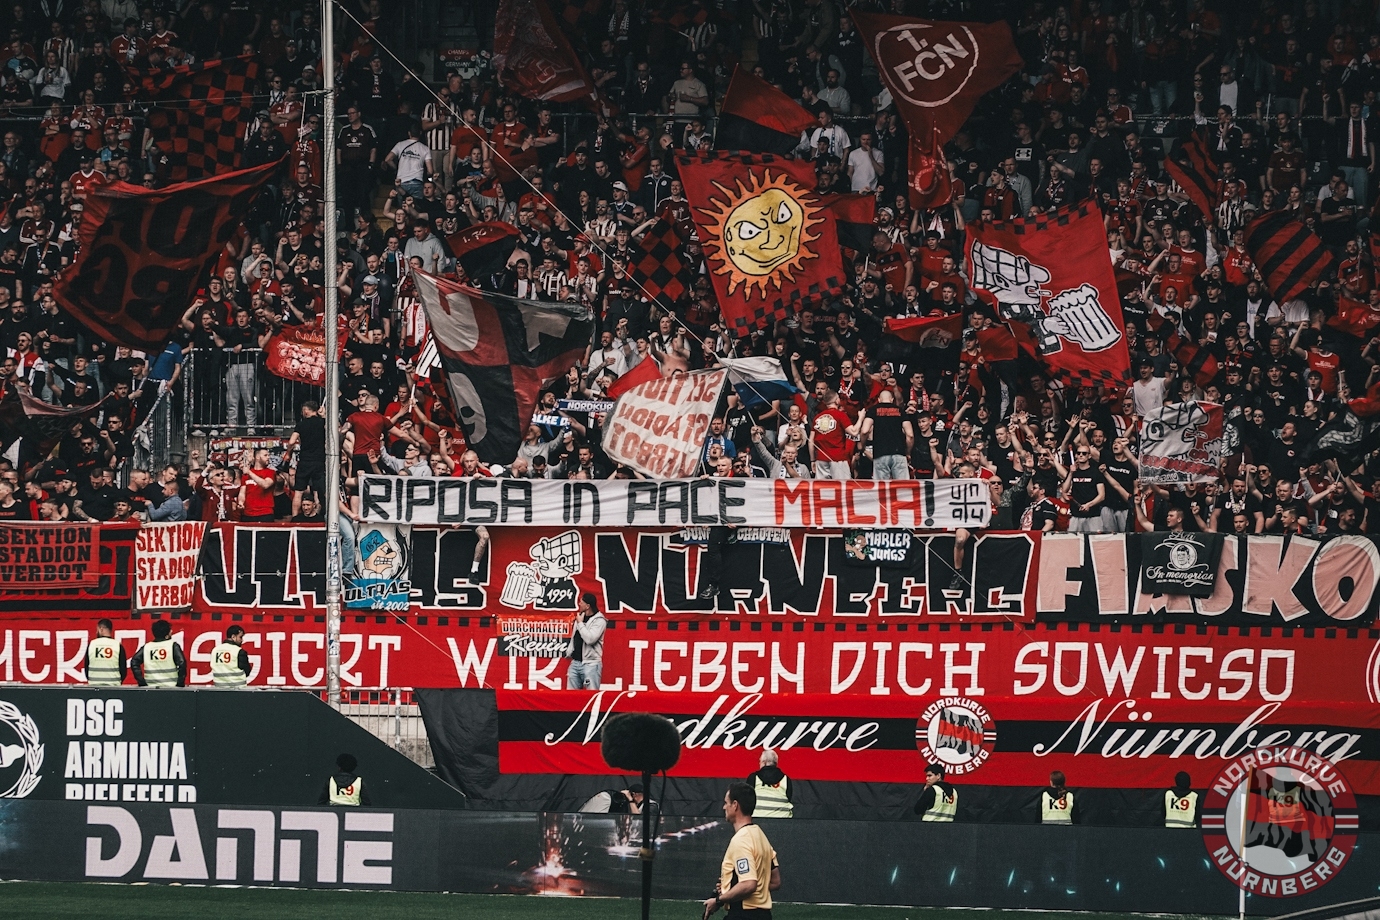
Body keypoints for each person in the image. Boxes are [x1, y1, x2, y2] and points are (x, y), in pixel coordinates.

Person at [703, 782, 782, 920]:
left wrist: (718, 900)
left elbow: (749, 884)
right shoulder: (761, 836)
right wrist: (730, 887)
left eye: (726, 803)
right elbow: (775, 882)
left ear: (735, 805)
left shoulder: (741, 840)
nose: (724, 807)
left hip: (743, 915)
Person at [565, 591, 605, 690]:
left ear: (587, 606)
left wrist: (580, 623)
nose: (579, 604)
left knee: (591, 695)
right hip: (575, 662)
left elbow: (590, 639)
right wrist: (569, 652)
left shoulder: (599, 621)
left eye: (581, 602)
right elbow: (574, 637)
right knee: (571, 696)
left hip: (591, 664)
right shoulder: (580, 617)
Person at [131, 618, 186, 687]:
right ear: (167, 634)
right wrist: (180, 683)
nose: (172, 631)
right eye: (170, 630)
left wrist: (142, 682)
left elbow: (134, 662)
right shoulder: (173, 646)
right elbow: (182, 663)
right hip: (171, 687)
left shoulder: (147, 647)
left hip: (150, 687)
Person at [746, 749, 793, 818]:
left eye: (760, 761)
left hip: (757, 819)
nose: (759, 763)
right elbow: (789, 798)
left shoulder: (753, 778)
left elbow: (746, 800)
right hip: (782, 820)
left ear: (764, 762)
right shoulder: (786, 779)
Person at [85, 617, 127, 686]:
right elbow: (123, 670)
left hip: (94, 686)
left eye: (97, 629)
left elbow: (86, 667)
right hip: (113, 686)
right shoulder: (117, 645)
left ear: (101, 629)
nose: (96, 632)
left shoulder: (92, 644)